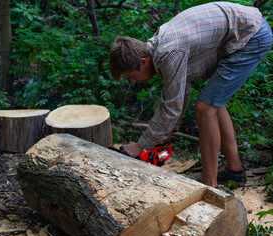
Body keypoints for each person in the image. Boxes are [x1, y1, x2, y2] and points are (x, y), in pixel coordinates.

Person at [109, 2, 273, 188]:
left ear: (143, 61)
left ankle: (209, 187)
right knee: (214, 104)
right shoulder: (159, 47)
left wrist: (142, 145)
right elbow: (181, 90)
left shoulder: (168, 53)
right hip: (247, 29)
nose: (132, 82)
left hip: (251, 35)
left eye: (132, 76)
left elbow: (172, 106)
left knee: (205, 108)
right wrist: (168, 131)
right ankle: (234, 171)